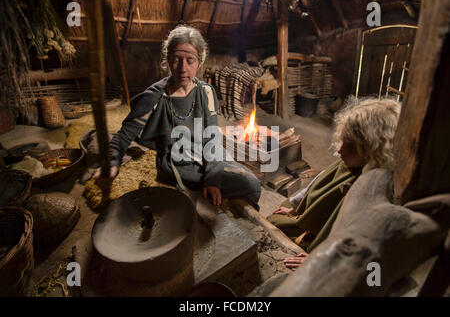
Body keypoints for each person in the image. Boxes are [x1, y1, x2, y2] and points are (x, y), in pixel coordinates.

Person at [94, 25, 261, 208]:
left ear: (199, 63)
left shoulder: (206, 92)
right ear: (168, 60)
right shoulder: (155, 97)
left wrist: (212, 177)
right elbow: (124, 135)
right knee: (248, 186)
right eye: (176, 60)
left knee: (252, 183)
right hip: (178, 160)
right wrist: (112, 162)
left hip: (207, 152)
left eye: (190, 60)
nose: (183, 68)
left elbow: (212, 138)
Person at [267, 98, 401, 270]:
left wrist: (325, 260)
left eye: (351, 146)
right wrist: (296, 207)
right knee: (276, 217)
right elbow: (320, 180)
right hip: (321, 211)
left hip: (335, 238)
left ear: (374, 149)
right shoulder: (349, 162)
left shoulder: (378, 190)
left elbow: (366, 244)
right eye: (343, 139)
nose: (340, 150)